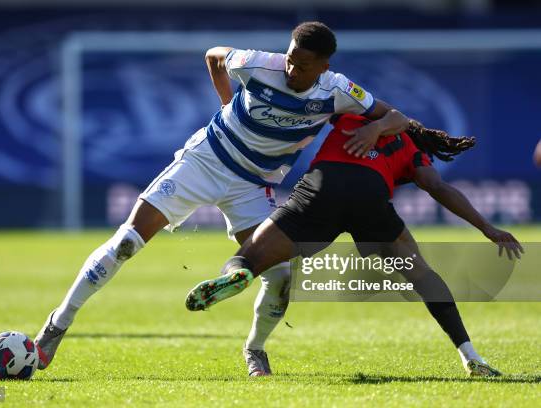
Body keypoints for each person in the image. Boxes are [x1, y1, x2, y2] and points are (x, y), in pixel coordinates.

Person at [34, 22, 413, 374]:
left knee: (281, 275)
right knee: (127, 242)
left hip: (253, 183)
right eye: (291, 59)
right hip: (206, 160)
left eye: (303, 66)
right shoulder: (260, 65)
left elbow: (398, 117)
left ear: (324, 66)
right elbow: (214, 56)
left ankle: (255, 349)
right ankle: (57, 325)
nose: (292, 70)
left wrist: (377, 128)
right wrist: (225, 102)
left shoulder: (339, 90)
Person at [185, 114, 523, 377]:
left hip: (321, 188)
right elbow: (438, 189)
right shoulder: (411, 149)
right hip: (369, 197)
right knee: (423, 276)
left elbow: (309, 110)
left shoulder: (350, 116)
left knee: (249, 257)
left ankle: (238, 275)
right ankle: (471, 356)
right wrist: (487, 228)